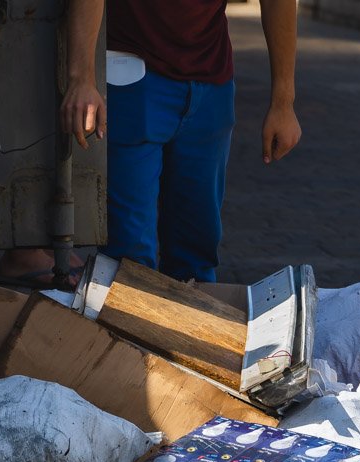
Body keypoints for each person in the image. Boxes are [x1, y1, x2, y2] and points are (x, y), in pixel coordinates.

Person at [58, 0, 301, 283]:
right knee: (127, 259)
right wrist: (81, 77)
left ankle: (188, 324)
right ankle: (123, 325)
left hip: (211, 84)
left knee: (196, 255)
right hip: (133, 76)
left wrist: (284, 102)